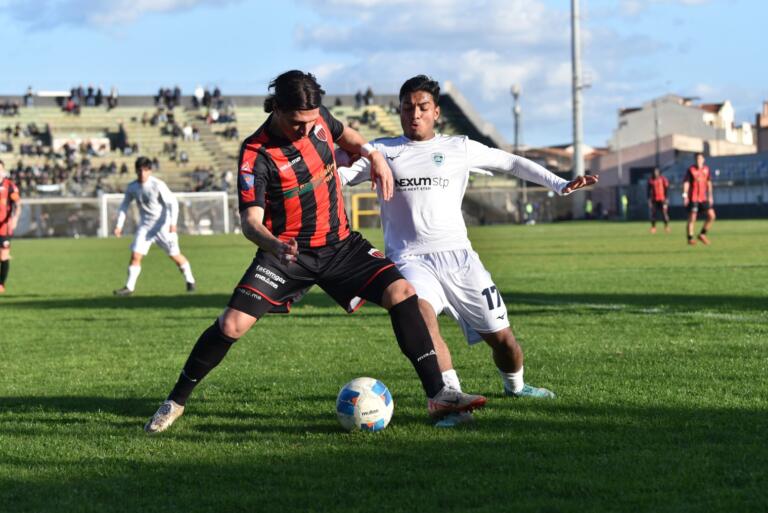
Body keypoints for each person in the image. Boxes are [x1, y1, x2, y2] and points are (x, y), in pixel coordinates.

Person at [143, 70, 486, 434]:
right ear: (276, 108)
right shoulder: (256, 154)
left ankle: (439, 395)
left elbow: (347, 135)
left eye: (311, 122)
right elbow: (250, 222)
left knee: (402, 293)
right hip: (287, 254)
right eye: (297, 123)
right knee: (231, 324)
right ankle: (175, 401)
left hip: (340, 246)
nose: (306, 130)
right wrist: (274, 244)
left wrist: (373, 155)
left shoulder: (317, 117)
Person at [338, 75, 598, 426]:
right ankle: (450, 401)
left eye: (422, 107)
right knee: (421, 317)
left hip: (460, 259)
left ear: (436, 112)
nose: (414, 114)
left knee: (504, 342)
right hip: (409, 260)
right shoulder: (380, 151)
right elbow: (340, 178)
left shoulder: (459, 147)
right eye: (407, 108)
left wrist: (559, 183)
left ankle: (516, 387)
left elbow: (511, 162)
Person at [113, 157, 196, 296]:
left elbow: (173, 203)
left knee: (175, 255)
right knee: (135, 255)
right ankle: (129, 287)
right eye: (140, 170)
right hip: (145, 226)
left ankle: (190, 280)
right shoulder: (132, 187)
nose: (142, 173)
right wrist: (119, 225)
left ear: (150, 171)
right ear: (136, 171)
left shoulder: (158, 185)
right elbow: (124, 206)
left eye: (145, 170)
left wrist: (173, 224)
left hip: (162, 226)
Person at [683, 153, 715, 245]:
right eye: (697, 159)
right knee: (692, 218)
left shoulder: (706, 169)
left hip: (703, 198)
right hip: (693, 198)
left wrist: (710, 196)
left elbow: (709, 183)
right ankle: (690, 238)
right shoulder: (691, 170)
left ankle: (702, 234)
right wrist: (685, 195)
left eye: (700, 158)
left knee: (712, 216)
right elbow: (686, 183)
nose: (699, 160)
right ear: (695, 160)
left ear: (703, 159)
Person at [0, 159, 22, 293]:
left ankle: (1, 284)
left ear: (3, 170)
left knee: (3, 256)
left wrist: (15, 218)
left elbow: (18, 204)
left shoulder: (9, 186)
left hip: (4, 227)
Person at [647, 167, 670, 234]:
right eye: (654, 172)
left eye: (656, 172)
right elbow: (648, 191)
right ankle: (653, 227)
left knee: (664, 213)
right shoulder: (651, 180)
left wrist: (666, 198)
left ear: (659, 172)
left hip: (662, 199)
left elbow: (666, 189)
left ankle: (666, 226)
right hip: (654, 200)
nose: (655, 173)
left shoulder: (663, 179)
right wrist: (649, 200)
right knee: (653, 214)